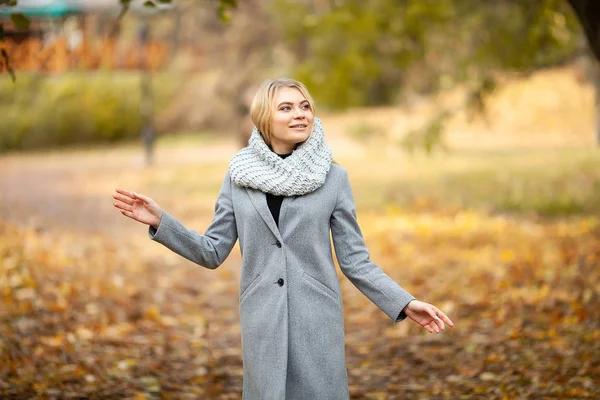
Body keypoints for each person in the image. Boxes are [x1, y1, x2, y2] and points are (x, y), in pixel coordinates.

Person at [113, 78, 454, 400]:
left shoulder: (334, 178)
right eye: (287, 108)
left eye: (305, 106)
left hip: (317, 320)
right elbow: (212, 251)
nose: (300, 114)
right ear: (265, 117)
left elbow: (355, 261)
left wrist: (405, 303)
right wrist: (162, 221)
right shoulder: (239, 176)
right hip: (262, 318)